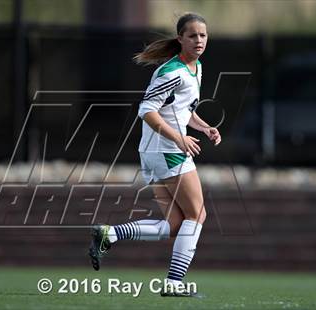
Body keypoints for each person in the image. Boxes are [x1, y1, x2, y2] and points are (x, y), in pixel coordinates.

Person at [88, 12, 221, 297]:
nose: (199, 40)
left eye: (203, 35)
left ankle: (110, 234)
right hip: (166, 150)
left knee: (174, 224)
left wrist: (205, 127)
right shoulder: (171, 71)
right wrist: (180, 138)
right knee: (197, 214)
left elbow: (183, 110)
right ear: (180, 39)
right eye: (193, 35)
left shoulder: (195, 68)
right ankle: (174, 284)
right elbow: (146, 111)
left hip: (158, 151)